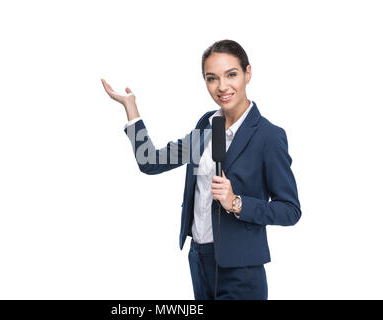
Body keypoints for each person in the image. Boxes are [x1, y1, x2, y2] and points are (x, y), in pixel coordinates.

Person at [101, 39, 301, 300]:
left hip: (241, 271)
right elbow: (149, 161)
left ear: (247, 73)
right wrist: (131, 108)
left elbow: (290, 210)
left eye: (231, 75)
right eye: (211, 78)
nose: (222, 86)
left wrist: (237, 202)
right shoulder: (207, 128)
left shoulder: (268, 136)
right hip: (199, 261)